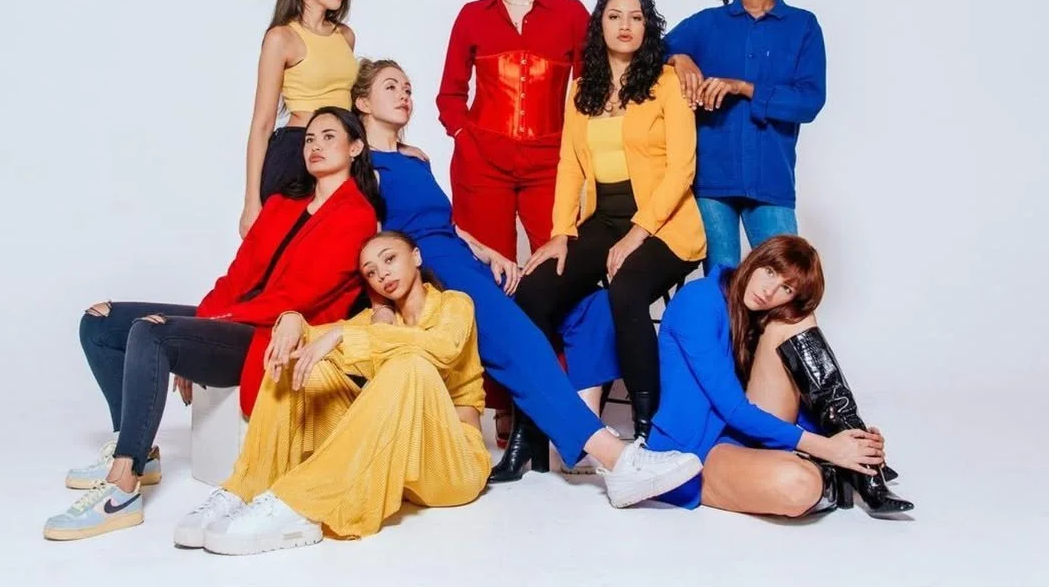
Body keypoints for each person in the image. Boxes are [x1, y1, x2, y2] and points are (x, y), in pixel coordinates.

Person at [353, 57, 704, 507]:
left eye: (407, 86)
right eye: (390, 87)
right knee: (518, 338)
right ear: (362, 101)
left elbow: (444, 223)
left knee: (588, 306)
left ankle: (569, 437)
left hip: (463, 257)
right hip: (432, 271)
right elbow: (369, 242)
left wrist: (488, 251)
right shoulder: (369, 167)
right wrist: (385, 305)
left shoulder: (415, 159)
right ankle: (615, 459)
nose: (404, 94)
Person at [43, 108, 381, 540]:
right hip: (235, 319)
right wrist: (202, 321)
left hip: (270, 334)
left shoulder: (356, 215)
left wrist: (194, 330)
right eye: (309, 138)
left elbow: (295, 299)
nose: (314, 146)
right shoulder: (283, 203)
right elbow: (236, 276)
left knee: (152, 332)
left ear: (355, 148)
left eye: (328, 137)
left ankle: (122, 486)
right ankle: (138, 448)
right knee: (100, 322)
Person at [174, 231, 492, 553]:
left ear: (416, 257)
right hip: (402, 471)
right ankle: (246, 488)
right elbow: (320, 337)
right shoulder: (376, 321)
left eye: (390, 259)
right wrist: (291, 321)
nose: (381, 274)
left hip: (454, 466)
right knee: (297, 359)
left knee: (410, 364)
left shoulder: (454, 304)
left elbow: (443, 348)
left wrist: (346, 335)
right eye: (370, 271)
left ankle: (300, 503)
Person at [512, 0, 706, 454]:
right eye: (614, 16)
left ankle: (647, 426)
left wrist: (639, 232)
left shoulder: (666, 84)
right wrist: (561, 234)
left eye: (635, 17)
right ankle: (531, 429)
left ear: (647, 26)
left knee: (626, 289)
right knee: (533, 292)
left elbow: (683, 167)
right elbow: (569, 166)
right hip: (602, 220)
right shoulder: (583, 91)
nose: (625, 25)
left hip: (665, 225)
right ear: (599, 26)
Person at [436, 0, 589, 441]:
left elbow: (589, 93)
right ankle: (498, 401)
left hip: (551, 161)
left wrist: (580, 154)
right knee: (487, 282)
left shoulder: (570, 14)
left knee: (556, 272)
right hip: (483, 165)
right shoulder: (473, 16)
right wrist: (465, 136)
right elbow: (450, 94)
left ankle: (556, 393)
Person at [648, 235, 913, 518]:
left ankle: (862, 467)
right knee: (799, 485)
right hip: (696, 449)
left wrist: (851, 440)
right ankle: (848, 473)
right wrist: (829, 449)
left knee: (798, 319)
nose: (769, 290)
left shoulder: (757, 315)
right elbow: (733, 409)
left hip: (743, 432)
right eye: (770, 272)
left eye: (786, 288)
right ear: (755, 261)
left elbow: (794, 393)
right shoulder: (698, 302)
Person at [665, 0, 826, 273]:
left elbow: (809, 101)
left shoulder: (802, 26)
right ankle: (725, 332)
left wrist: (743, 87)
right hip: (712, 179)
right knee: (723, 284)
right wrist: (678, 58)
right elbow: (647, 55)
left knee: (787, 283)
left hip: (771, 178)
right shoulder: (706, 25)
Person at [240, 0, 359, 237]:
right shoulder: (282, 38)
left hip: (343, 154)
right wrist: (251, 202)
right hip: (297, 152)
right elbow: (263, 124)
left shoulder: (344, 36)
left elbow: (356, 104)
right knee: (285, 253)